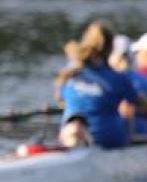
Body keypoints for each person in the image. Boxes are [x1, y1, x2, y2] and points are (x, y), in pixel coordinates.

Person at [54, 22, 140, 150]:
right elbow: (136, 103)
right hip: (109, 140)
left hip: (70, 137)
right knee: (128, 112)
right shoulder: (119, 78)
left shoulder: (68, 73)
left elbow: (60, 98)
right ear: (110, 49)